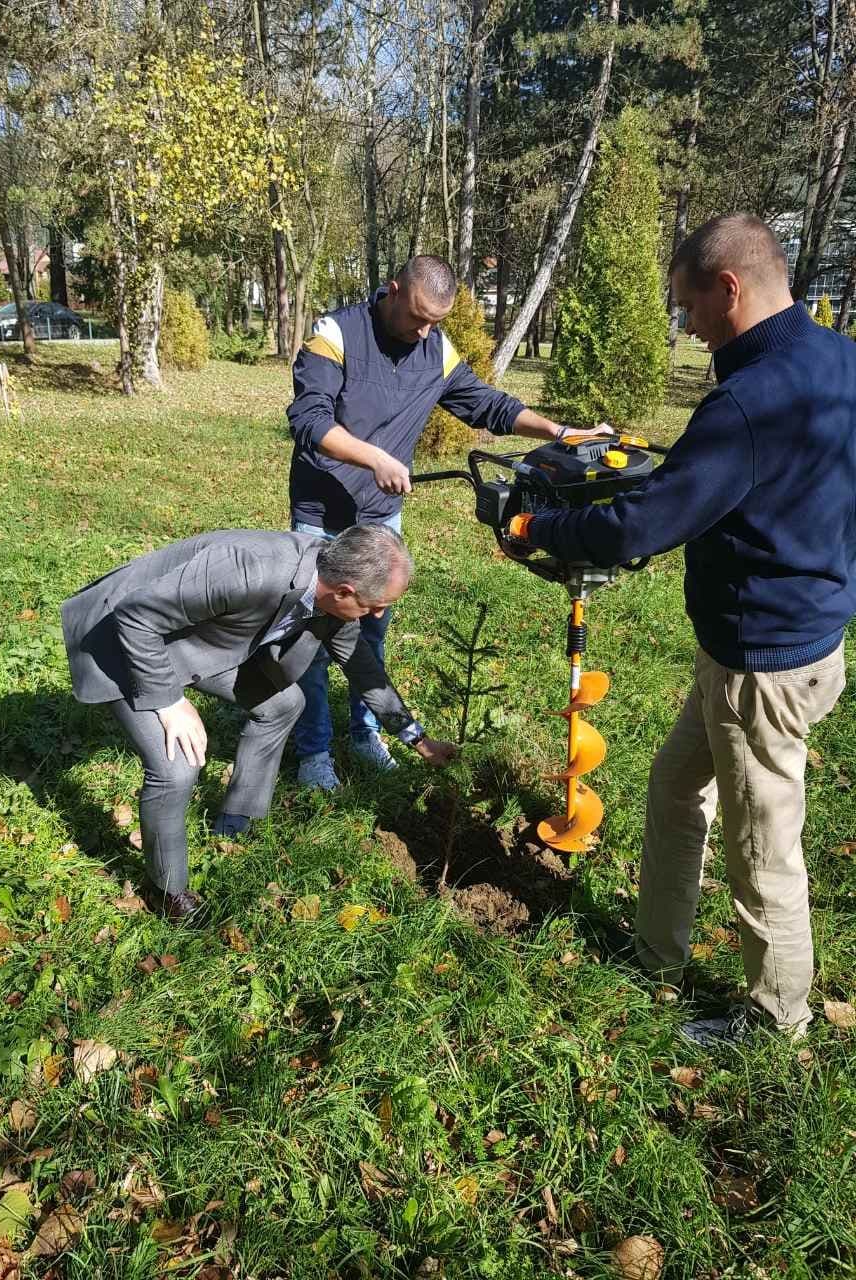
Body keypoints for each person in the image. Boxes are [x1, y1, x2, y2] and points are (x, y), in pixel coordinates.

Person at [512, 213, 856, 1044]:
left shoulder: (748, 402)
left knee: (763, 850)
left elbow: (644, 524)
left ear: (729, 289)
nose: (688, 325)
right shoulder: (840, 359)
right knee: (673, 786)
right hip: (797, 640)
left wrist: (536, 527)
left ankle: (776, 1022)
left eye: (690, 306)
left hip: (760, 665)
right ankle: (656, 953)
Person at [287, 253, 609, 791]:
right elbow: (308, 420)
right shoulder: (336, 335)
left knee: (371, 630)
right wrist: (375, 458)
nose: (424, 331)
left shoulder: (435, 349)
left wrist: (559, 432)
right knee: (313, 638)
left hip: (381, 518)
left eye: (435, 322)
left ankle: (366, 733)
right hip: (321, 515)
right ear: (393, 290)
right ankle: (314, 752)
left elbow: (488, 406)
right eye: (417, 317)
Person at [61, 525, 457, 922]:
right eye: (375, 606)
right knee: (177, 766)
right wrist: (170, 702)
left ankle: (238, 821)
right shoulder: (251, 570)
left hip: (193, 641)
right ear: (344, 591)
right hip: (121, 641)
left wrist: (419, 741)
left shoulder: (330, 590)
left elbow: (364, 669)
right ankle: (169, 892)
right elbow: (135, 616)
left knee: (284, 703)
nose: (379, 614)